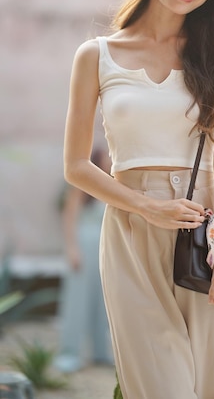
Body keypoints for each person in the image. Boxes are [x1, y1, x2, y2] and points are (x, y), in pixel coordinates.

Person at [63, 0, 214, 398]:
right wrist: (146, 206)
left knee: (202, 388)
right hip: (132, 230)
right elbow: (75, 166)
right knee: (162, 388)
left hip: (207, 233)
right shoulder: (97, 55)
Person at [54, 147, 113, 373]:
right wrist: (71, 249)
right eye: (107, 156)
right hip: (83, 247)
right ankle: (70, 353)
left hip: (105, 249)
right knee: (77, 300)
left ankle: (101, 351)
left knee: (104, 302)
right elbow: (69, 216)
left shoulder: (113, 185)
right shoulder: (83, 183)